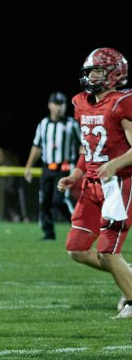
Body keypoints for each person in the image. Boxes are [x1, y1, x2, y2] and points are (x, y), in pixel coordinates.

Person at [57, 47, 132, 318]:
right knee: (76, 248)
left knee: (108, 251)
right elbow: (88, 148)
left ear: (114, 73)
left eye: (98, 71)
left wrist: (114, 164)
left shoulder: (121, 103)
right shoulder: (82, 103)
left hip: (119, 183)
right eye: (90, 72)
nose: (91, 77)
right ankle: (128, 274)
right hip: (91, 185)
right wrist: (75, 174)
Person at [23, 91, 80, 240]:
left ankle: (78, 227)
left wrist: (83, 164)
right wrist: (28, 167)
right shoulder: (44, 124)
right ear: (49, 105)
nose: (59, 107)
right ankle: (49, 233)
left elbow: (82, 145)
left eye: (62, 104)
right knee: (45, 201)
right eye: (56, 104)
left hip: (65, 168)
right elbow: (36, 147)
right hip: (47, 168)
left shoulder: (71, 124)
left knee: (59, 201)